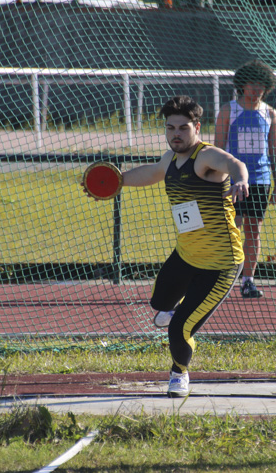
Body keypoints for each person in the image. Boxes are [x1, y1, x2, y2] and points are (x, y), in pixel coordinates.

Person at [113, 95, 249, 398]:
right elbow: (150, 173)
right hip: (186, 255)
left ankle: (179, 373)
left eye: (183, 128)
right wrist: (115, 182)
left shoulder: (206, 157)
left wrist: (240, 180)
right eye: (170, 128)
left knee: (178, 329)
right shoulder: (170, 159)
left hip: (219, 266)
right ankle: (173, 310)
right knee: (159, 303)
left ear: (197, 127)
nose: (176, 134)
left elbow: (234, 163)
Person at [214, 59, 276, 299]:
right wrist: (217, 181)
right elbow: (218, 149)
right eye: (252, 85)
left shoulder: (270, 113)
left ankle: (248, 281)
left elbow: (274, 151)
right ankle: (220, 280)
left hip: (260, 181)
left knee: (254, 231)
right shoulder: (228, 110)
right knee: (230, 229)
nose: (256, 90)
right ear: (242, 85)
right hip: (233, 182)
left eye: (261, 86)